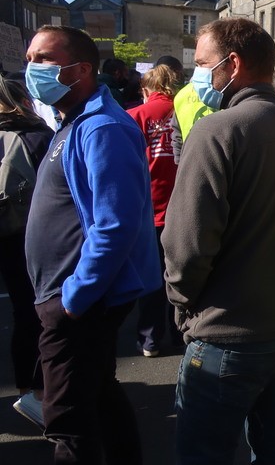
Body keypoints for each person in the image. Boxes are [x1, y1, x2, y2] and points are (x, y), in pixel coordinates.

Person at [162, 18, 275, 464]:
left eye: (203, 64)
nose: (197, 74)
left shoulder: (216, 130)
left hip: (228, 334)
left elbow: (187, 244)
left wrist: (183, 307)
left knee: (204, 453)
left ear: (232, 64)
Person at [24, 25, 161, 463]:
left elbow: (115, 224)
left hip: (76, 300)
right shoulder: (73, 122)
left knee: (67, 417)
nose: (31, 68)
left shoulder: (101, 127)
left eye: (42, 59)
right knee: (98, 393)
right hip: (65, 296)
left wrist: (74, 297)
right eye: (29, 58)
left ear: (80, 69)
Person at [0, 77, 53, 428]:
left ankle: (27, 388)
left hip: (6, 233)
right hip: (29, 235)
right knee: (37, 311)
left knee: (22, 311)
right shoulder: (37, 137)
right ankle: (37, 391)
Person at [127, 64, 181, 358]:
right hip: (182, 207)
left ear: (147, 90)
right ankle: (180, 332)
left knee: (151, 278)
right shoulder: (184, 112)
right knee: (180, 274)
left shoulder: (134, 116)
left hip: (147, 207)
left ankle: (150, 339)